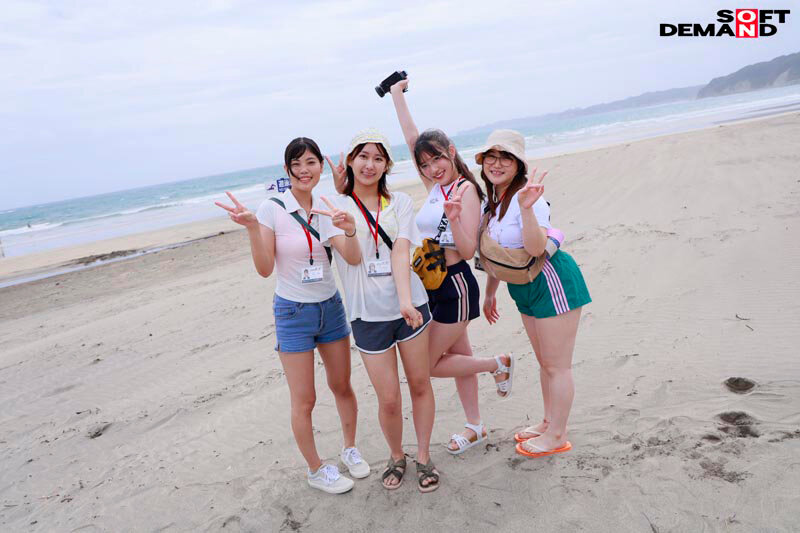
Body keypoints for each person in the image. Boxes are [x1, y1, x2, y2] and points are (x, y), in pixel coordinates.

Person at [215, 137, 370, 494]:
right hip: (293, 312)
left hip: (330, 307)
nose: (304, 170)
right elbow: (264, 269)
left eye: (310, 162)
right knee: (305, 399)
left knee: (342, 385)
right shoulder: (271, 209)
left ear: (320, 167)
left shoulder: (327, 206)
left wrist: (349, 230)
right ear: (287, 170)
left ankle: (350, 449)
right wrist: (252, 229)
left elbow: (352, 257)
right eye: (296, 164)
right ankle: (316, 469)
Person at [387, 77, 513, 455]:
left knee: (427, 365)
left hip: (456, 284)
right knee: (459, 357)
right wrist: (396, 96)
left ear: (451, 152)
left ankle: (497, 363)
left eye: (438, 158)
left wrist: (455, 219)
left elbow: (468, 247)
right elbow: (413, 140)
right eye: (425, 164)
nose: (432, 167)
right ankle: (475, 426)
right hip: (434, 286)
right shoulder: (435, 187)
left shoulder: (465, 190)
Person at [321, 129, 440, 492]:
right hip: (366, 315)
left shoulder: (399, 202)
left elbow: (401, 250)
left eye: (378, 158)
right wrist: (349, 230)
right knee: (388, 398)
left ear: (387, 164)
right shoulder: (334, 206)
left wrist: (405, 300)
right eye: (363, 156)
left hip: (410, 306)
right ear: (350, 160)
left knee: (419, 384)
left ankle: (423, 456)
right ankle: (396, 455)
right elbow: (353, 258)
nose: (369, 165)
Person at [475, 130, 591, 458]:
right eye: (491, 156)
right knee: (545, 363)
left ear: (518, 165)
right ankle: (549, 421)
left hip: (551, 281)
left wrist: (526, 208)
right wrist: (490, 293)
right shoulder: (491, 202)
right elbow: (498, 254)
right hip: (521, 286)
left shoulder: (531, 199)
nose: (497, 163)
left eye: (505, 157)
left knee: (558, 366)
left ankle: (558, 434)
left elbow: (537, 248)